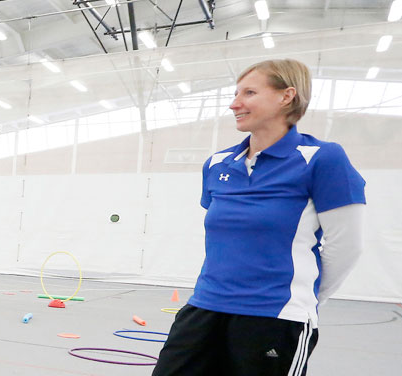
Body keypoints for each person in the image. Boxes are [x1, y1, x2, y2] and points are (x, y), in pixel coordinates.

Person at [153, 59, 366, 376]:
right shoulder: (218, 163)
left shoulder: (322, 159)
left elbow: (346, 246)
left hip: (275, 316)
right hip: (205, 308)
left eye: (249, 93)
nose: (234, 104)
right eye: (236, 93)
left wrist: (303, 298)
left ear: (286, 96)